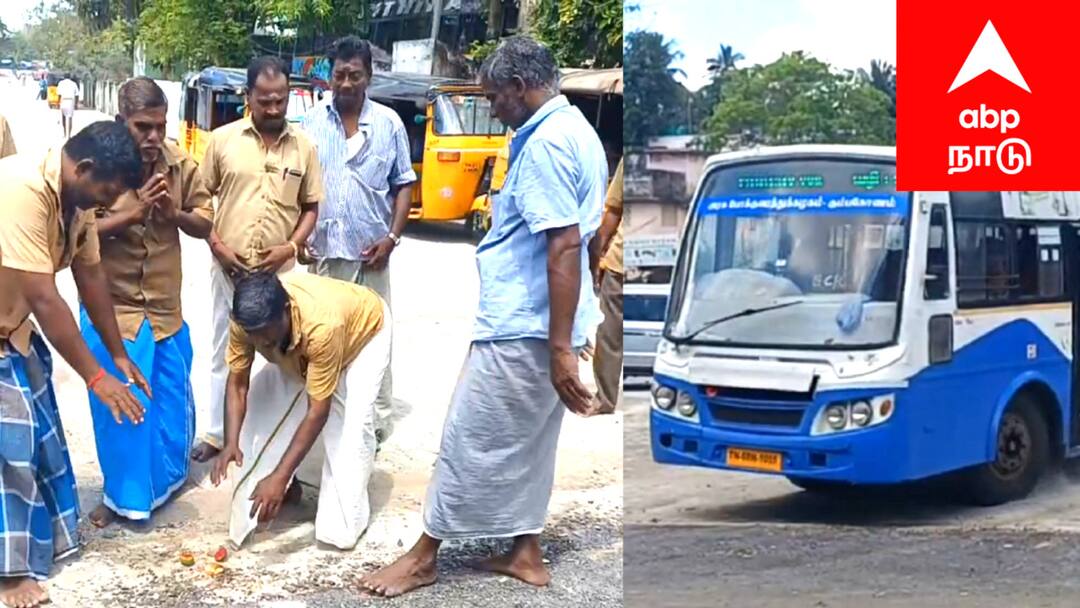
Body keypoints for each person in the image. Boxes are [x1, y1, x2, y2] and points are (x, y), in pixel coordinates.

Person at [360, 35, 606, 598]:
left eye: (495, 96)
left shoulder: (546, 144)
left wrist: (562, 348)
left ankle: (425, 555)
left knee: (469, 436)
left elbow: (565, 245)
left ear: (521, 88)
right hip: (547, 324)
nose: (491, 107)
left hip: (526, 328)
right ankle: (524, 550)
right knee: (528, 444)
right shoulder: (575, 132)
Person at [0, 121, 150, 608]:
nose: (110, 202)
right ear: (83, 168)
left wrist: (119, 355)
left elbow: (90, 276)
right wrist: (96, 377)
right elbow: (44, 296)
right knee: (11, 446)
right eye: (107, 189)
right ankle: (9, 574)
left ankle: (49, 538)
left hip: (13, 327)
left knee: (44, 436)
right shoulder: (21, 188)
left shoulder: (77, 202)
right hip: (14, 321)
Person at [79, 77, 214, 528]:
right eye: (142, 127)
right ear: (122, 123)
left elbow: (205, 221)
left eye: (160, 126)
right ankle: (120, 497)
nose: (154, 137)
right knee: (121, 411)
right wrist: (131, 215)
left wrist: (173, 215)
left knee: (170, 406)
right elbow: (74, 237)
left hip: (165, 312)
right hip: (113, 313)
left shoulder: (179, 164)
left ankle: (167, 485)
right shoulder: (98, 164)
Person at [190, 56, 324, 464]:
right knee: (222, 352)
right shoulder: (222, 141)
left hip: (280, 275)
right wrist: (216, 245)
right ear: (247, 96)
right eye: (264, 100)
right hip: (228, 269)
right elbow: (199, 201)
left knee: (285, 353)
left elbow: (312, 208)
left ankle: (273, 433)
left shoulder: (304, 146)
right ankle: (217, 434)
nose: (272, 108)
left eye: (280, 100)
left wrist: (291, 247)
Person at [210, 272, 390, 549]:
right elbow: (237, 385)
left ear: (286, 312)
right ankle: (285, 491)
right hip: (308, 340)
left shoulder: (323, 326)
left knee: (348, 430)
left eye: (267, 341)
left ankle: (340, 528)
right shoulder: (246, 322)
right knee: (259, 409)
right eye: (254, 340)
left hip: (364, 334)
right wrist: (230, 443)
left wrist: (278, 477)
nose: (260, 347)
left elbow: (318, 411)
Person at [301, 36, 416, 444]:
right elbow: (299, 185)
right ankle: (323, 418)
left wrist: (392, 237)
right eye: (339, 75)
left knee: (375, 341)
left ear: (369, 76)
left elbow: (404, 185)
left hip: (372, 259)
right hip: (323, 259)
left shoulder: (389, 124)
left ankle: (376, 425)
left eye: (355, 75)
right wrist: (299, 235)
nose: (346, 83)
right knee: (321, 341)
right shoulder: (312, 123)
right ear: (329, 77)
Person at [588, 158, 624, 414]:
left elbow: (613, 210)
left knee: (611, 335)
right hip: (623, 263)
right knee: (609, 334)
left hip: (623, 262)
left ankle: (604, 400)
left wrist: (596, 255)